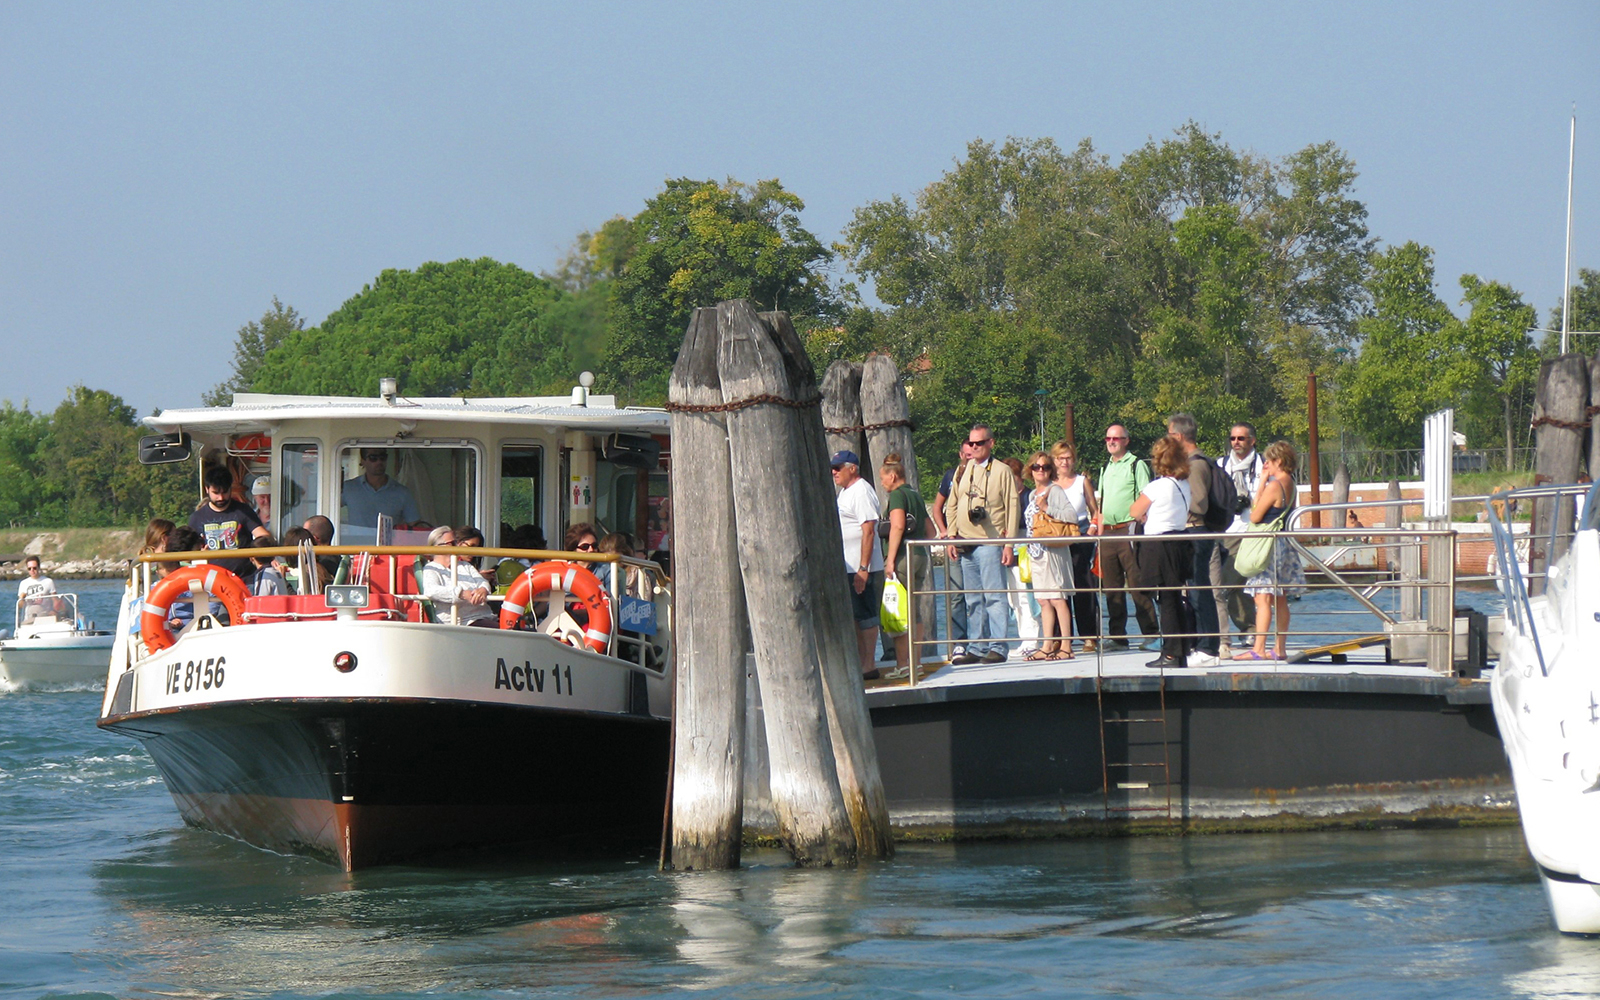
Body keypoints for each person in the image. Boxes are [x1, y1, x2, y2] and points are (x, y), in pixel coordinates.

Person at [942, 426, 1019, 665]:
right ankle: (976, 647)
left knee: (994, 597)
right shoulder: (962, 470)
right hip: (966, 543)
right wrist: (952, 535)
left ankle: (998, 646)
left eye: (979, 443)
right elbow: (952, 504)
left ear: (991, 443)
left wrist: (1009, 544)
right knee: (973, 598)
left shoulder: (1002, 471)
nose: (974, 447)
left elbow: (1012, 506)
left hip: (991, 542)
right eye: (971, 443)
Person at [1236, 441, 1307, 661]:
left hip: (1267, 546)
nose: (1266, 463)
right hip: (1284, 543)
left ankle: (1258, 648)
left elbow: (1255, 515)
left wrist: (1263, 483)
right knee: (1281, 598)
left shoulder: (1275, 485)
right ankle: (1279, 648)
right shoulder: (1291, 484)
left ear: (1278, 461)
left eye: (1269, 460)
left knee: (1263, 598)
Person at [1129, 436, 1194, 669]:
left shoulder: (1157, 486)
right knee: (1175, 598)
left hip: (1158, 545)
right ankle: (1180, 650)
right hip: (1179, 542)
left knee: (1164, 600)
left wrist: (1144, 515)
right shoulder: (1184, 485)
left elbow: (1135, 509)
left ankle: (1170, 653)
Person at [1166, 413, 1221, 667]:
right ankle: (1200, 642)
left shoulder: (1196, 464)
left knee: (1200, 589)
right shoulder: (1192, 462)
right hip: (1189, 531)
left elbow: (1199, 502)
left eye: (1169, 434)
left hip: (1196, 531)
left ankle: (1208, 647)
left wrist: (1173, 506)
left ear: (1178, 436)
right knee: (1195, 587)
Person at [1098, 424, 1159, 650]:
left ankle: (1152, 634)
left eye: (1116, 438)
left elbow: (1146, 498)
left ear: (1126, 440)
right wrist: (1100, 530)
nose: (1111, 441)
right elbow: (1101, 502)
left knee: (1137, 584)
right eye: (1108, 438)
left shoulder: (1136, 465)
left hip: (1129, 530)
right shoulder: (1106, 468)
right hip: (1108, 533)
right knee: (1112, 588)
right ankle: (1117, 638)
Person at [833, 450, 886, 680]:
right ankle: (860, 662)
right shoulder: (845, 493)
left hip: (861, 567)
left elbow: (868, 530)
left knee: (865, 614)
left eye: (838, 467)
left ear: (852, 468)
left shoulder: (861, 491)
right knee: (854, 615)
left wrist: (863, 568)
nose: (834, 472)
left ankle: (868, 664)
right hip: (848, 566)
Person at [1214, 423, 1264, 657]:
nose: (1236, 442)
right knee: (1228, 582)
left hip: (1255, 530)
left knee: (1249, 584)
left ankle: (1250, 631)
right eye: (1233, 438)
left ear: (1252, 440)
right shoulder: (1221, 465)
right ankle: (1248, 629)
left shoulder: (1264, 465)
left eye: (1241, 438)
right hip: (1229, 530)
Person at [879, 452, 930, 673]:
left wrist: (890, 559)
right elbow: (931, 531)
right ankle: (916, 662)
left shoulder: (898, 495)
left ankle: (902, 664)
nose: (881, 483)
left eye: (882, 478)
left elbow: (898, 525)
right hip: (919, 555)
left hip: (902, 558)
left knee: (897, 610)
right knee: (914, 610)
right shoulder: (915, 495)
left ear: (892, 476)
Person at [1023, 451, 1074, 660]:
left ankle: (1066, 646)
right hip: (1036, 552)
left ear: (1051, 470)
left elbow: (1071, 516)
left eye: (1044, 467)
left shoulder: (1055, 491)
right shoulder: (1031, 494)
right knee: (1044, 600)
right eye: (1036, 467)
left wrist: (1047, 508)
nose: (1040, 471)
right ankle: (1047, 644)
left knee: (1058, 598)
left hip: (1053, 550)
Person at [1051, 440, 1101, 652]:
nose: (1065, 462)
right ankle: (1059, 637)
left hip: (1079, 536)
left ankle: (1089, 636)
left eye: (1068, 458)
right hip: (1055, 537)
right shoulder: (1050, 483)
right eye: (1061, 458)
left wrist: (1091, 530)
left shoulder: (1082, 482)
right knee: (1057, 588)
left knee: (1083, 586)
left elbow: (1095, 510)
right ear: (1054, 460)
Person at [188, 465, 270, 583]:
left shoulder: (243, 511)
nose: (221, 497)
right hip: (211, 583)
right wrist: (198, 555)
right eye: (216, 493)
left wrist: (260, 554)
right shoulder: (197, 518)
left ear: (230, 488)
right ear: (207, 489)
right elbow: (187, 551)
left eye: (225, 492)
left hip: (245, 581)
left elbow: (264, 536)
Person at [931, 442, 972, 660]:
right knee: (956, 595)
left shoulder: (985, 475)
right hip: (955, 543)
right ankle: (959, 643)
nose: (969, 458)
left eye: (971, 454)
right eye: (965, 454)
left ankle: (983, 641)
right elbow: (938, 507)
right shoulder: (951, 476)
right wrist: (945, 534)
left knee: (979, 595)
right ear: (960, 454)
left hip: (978, 543)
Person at [419, 525, 496, 627]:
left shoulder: (465, 566)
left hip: (484, 617)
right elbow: (432, 590)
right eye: (453, 543)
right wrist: (461, 594)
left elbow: (482, 581)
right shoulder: (432, 568)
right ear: (438, 547)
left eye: (456, 542)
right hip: (463, 622)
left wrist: (483, 589)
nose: (457, 546)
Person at [341, 448, 421, 535]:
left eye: (382, 457)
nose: (379, 462)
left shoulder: (402, 492)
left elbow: (415, 527)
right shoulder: (348, 488)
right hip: (356, 546)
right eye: (373, 458)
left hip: (389, 547)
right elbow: (328, 508)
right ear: (363, 461)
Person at [302, 514, 342, 581]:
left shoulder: (320, 564)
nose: (303, 537)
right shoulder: (338, 559)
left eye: (305, 534)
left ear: (314, 538)